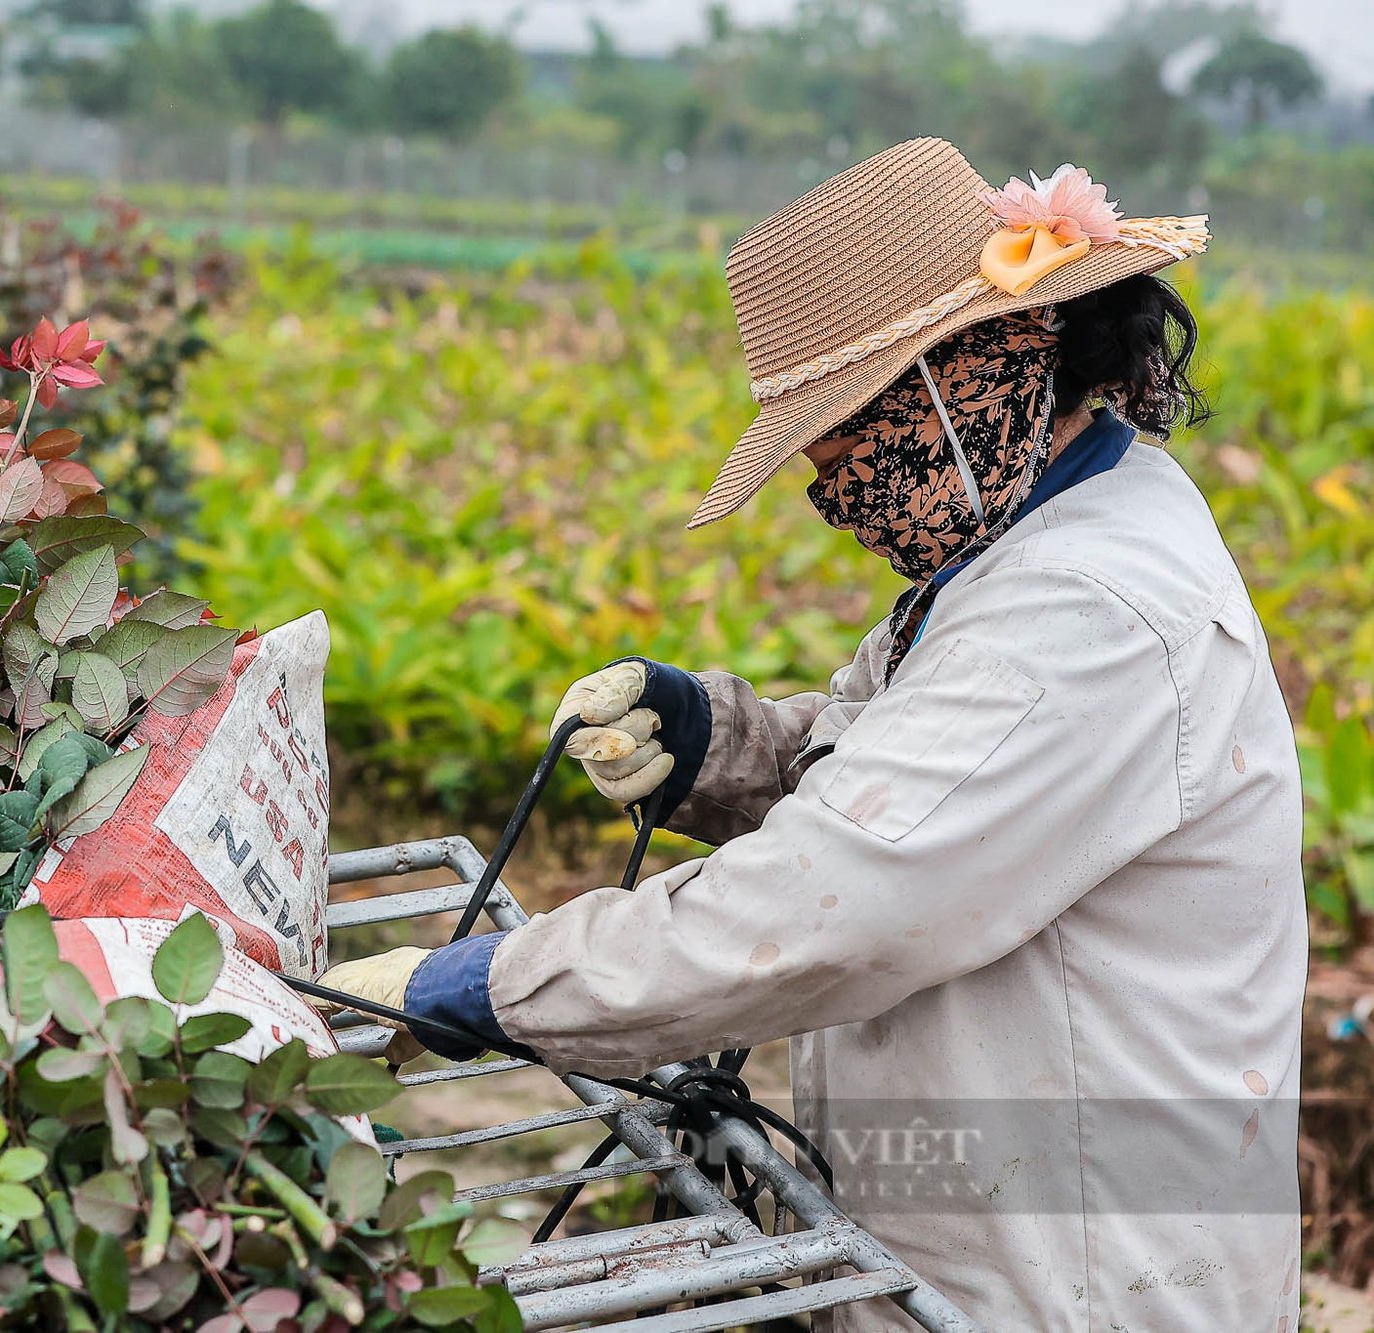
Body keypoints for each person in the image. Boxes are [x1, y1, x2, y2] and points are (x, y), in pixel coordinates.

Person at [317, 138, 1305, 1330]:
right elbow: (904, 770)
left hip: (1071, 1287)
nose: (829, 486)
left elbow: (812, 911)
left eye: (843, 437)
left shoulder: (1080, 609)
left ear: (972, 371)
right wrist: (712, 742)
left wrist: (483, 982)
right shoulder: (1029, 541)